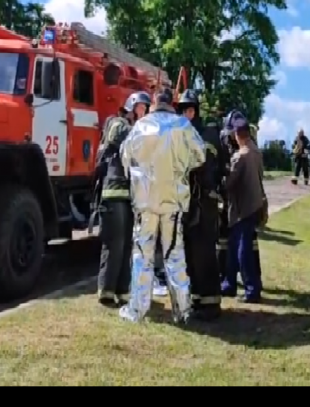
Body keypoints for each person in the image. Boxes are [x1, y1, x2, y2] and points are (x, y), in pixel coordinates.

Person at [119, 87, 206, 324]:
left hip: (145, 202)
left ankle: (137, 310)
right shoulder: (183, 127)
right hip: (173, 201)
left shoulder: (140, 126)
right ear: (172, 102)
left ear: (154, 102)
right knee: (174, 255)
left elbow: (125, 155)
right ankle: (183, 310)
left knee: (142, 255)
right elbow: (200, 155)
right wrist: (181, 167)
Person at [95, 90, 151, 307]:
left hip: (129, 197)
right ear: (131, 106)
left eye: (146, 109)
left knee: (127, 243)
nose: (144, 111)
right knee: (115, 242)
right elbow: (123, 138)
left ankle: (122, 291)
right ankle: (106, 291)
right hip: (113, 193)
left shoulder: (138, 129)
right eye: (141, 108)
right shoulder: (117, 123)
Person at [176, 88, 224, 321]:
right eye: (182, 111)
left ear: (193, 111)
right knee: (192, 252)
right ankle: (198, 300)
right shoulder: (195, 134)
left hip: (203, 201)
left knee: (203, 252)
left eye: (186, 110)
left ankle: (210, 304)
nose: (184, 115)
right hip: (195, 201)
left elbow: (200, 166)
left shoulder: (203, 135)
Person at [222, 119, 266, 303]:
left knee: (243, 251)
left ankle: (251, 290)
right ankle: (229, 284)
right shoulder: (256, 152)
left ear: (236, 134)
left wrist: (222, 175)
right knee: (234, 247)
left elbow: (229, 184)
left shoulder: (240, 156)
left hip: (243, 209)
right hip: (255, 205)